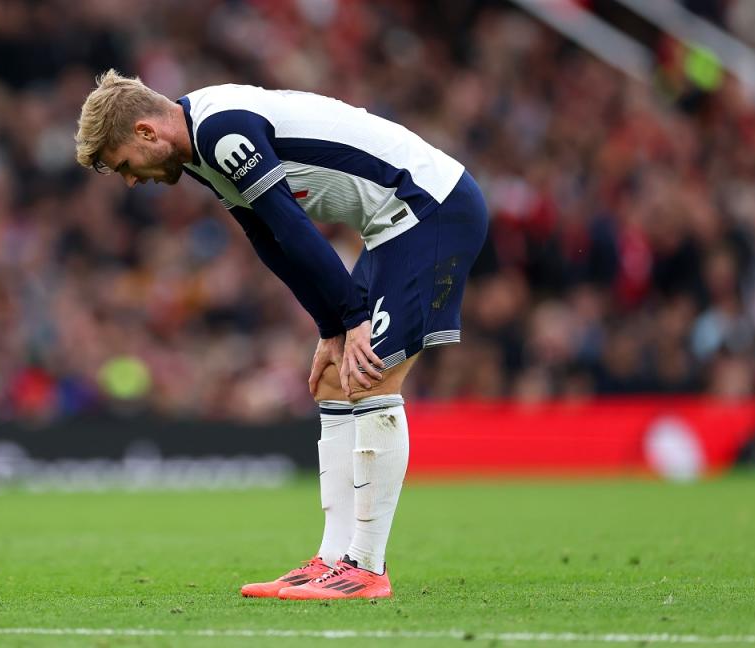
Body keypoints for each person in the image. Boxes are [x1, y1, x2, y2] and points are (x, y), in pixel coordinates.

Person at [74, 70, 488, 600]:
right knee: (335, 380)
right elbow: (267, 239)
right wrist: (331, 324)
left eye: (126, 166)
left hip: (430, 208)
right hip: (392, 222)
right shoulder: (200, 145)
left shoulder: (222, 132)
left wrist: (353, 317)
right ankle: (334, 559)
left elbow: (293, 225)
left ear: (147, 132)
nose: (132, 181)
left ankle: (366, 567)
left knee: (371, 375)